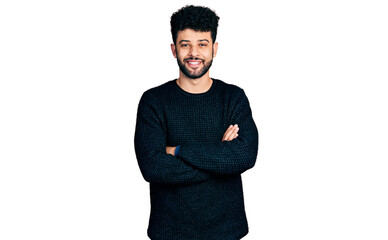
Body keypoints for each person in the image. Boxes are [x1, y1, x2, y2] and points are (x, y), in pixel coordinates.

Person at [134, 5, 259, 240]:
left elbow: (245, 156)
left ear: (215, 48)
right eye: (185, 44)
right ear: (173, 49)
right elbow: (152, 166)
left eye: (202, 44)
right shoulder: (153, 101)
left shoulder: (233, 98)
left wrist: (178, 150)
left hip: (227, 231)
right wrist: (220, 157)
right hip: (169, 232)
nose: (194, 53)